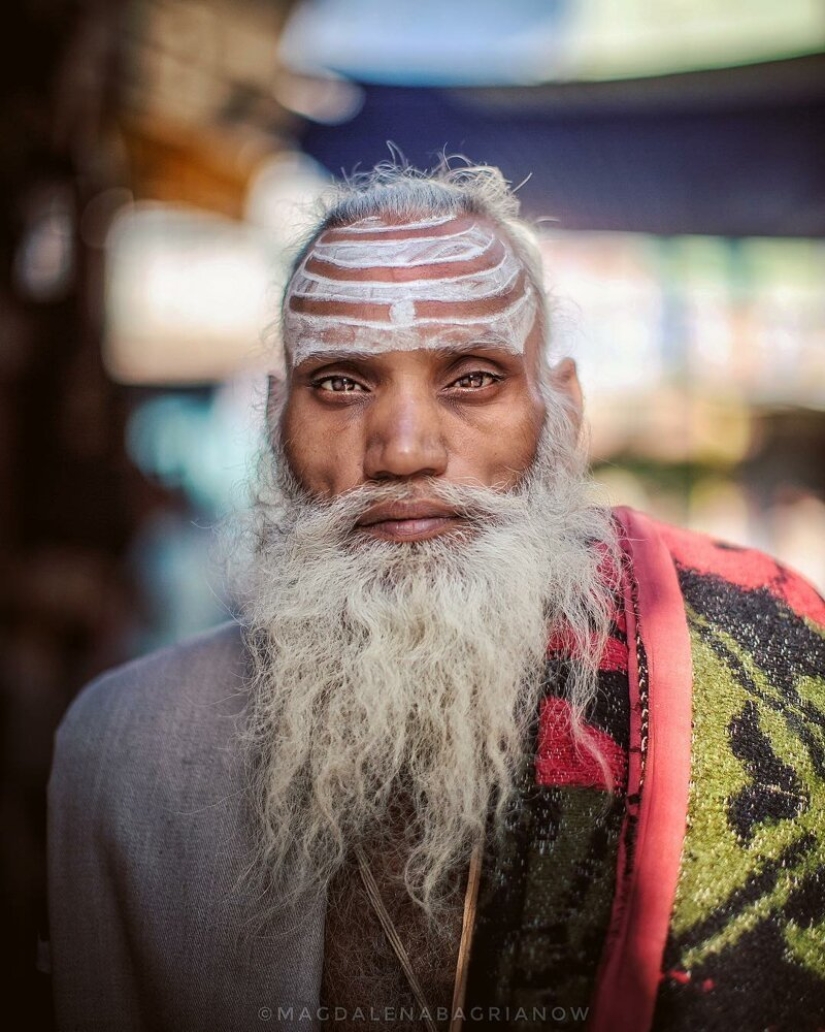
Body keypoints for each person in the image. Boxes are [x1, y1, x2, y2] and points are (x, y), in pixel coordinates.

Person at [47, 162, 825, 1032]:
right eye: (341, 383)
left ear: (560, 410)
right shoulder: (128, 747)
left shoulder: (764, 660)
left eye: (472, 379)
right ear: (275, 422)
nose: (405, 450)